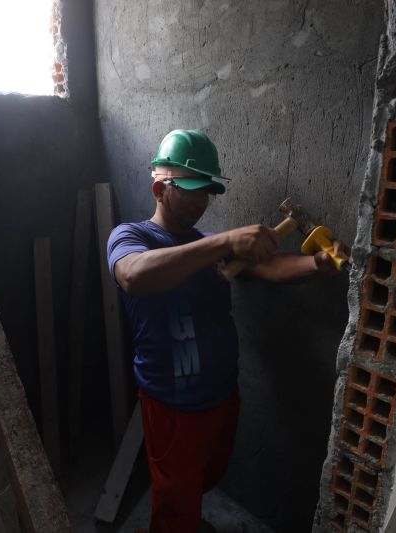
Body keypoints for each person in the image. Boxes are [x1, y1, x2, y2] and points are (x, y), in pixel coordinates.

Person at [107, 129, 347, 532]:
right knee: (173, 505)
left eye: (207, 192)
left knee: (204, 479)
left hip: (222, 397)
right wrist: (224, 244)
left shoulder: (211, 242)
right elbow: (133, 276)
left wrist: (318, 265)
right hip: (172, 405)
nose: (201, 202)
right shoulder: (132, 237)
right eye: (191, 190)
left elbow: (270, 268)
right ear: (159, 189)